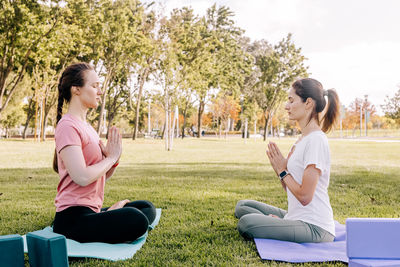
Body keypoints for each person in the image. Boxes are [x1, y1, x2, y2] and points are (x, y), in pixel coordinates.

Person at [52, 62, 156, 244]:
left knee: (146, 208)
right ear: (76, 89)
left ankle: (107, 214)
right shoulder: (67, 126)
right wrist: (111, 158)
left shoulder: (87, 127)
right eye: (94, 86)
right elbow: (82, 177)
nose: (100, 91)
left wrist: (113, 161)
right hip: (72, 219)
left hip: (90, 211)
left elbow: (101, 176)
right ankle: (109, 215)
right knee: (137, 220)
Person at [235, 78, 339, 243]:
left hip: (315, 227)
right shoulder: (302, 139)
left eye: (291, 100)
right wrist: (280, 170)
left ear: (308, 103)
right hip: (295, 217)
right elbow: (290, 189)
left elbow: (305, 196)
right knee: (242, 206)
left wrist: (283, 171)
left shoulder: (316, 140)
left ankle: (280, 223)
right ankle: (281, 222)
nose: (286, 106)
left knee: (246, 223)